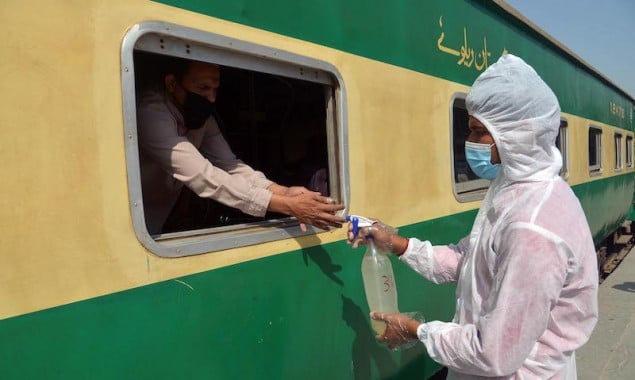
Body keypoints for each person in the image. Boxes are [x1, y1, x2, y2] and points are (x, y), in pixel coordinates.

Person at [348, 54, 598, 379]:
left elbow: (495, 352)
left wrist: (417, 330)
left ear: (516, 136)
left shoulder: (533, 226)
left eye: (479, 132)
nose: (469, 143)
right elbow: (468, 259)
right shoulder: (513, 188)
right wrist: (394, 243)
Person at [136, 58, 345, 235]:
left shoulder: (203, 119)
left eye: (215, 89)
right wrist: (286, 205)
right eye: (202, 88)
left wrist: (284, 191)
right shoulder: (150, 114)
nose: (211, 98)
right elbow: (204, 176)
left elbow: (232, 166)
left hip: (160, 220)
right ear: (172, 83)